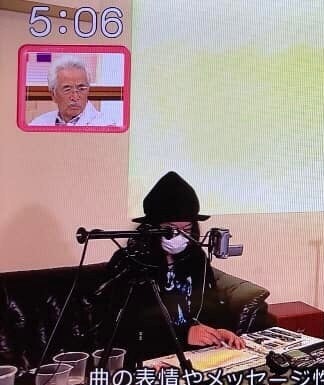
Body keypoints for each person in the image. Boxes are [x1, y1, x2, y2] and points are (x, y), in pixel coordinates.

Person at [104, 171, 269, 364]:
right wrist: (184, 334)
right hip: (152, 356)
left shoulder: (195, 257)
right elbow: (125, 328)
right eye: (170, 230)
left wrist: (219, 330)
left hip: (195, 355)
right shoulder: (129, 262)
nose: (179, 237)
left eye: (186, 230)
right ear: (152, 227)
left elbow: (210, 305)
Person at [29, 55, 116, 126]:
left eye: (81, 89)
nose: (75, 97)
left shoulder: (106, 126)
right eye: (67, 89)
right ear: (53, 95)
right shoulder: (38, 124)